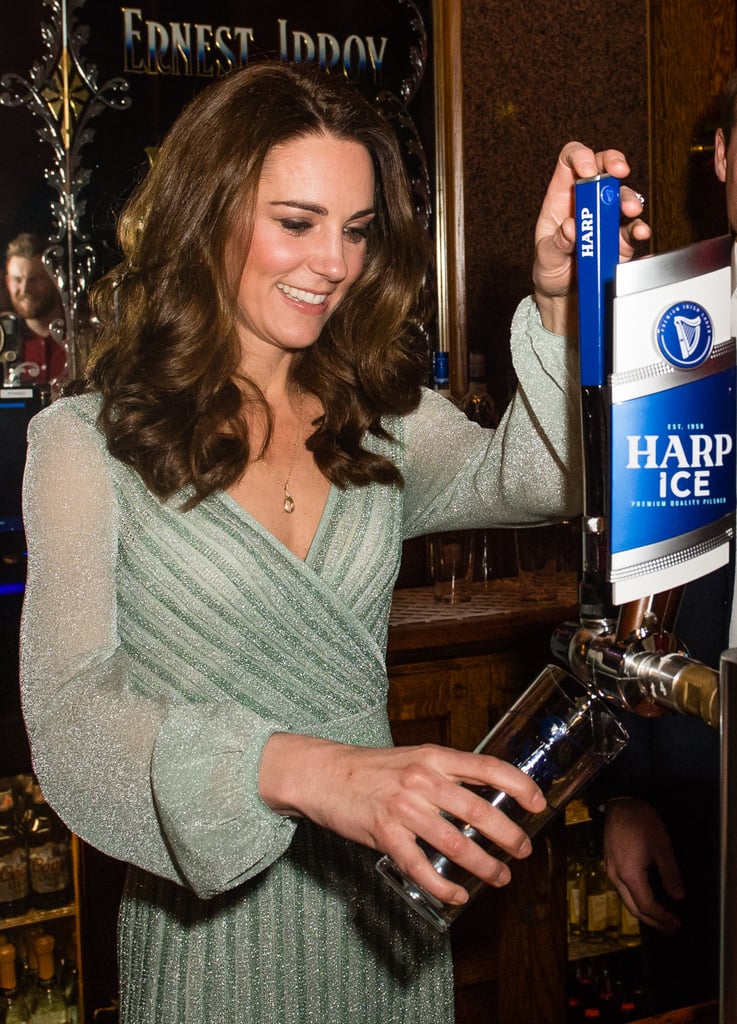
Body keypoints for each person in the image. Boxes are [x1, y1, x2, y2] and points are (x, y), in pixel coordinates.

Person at [19, 61, 647, 1024]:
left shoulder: (378, 420)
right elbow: (70, 717)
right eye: (296, 221)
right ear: (206, 212)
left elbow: (543, 479)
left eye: (355, 230)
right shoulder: (83, 444)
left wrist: (561, 300)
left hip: (383, 930)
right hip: (207, 945)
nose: (335, 264)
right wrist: (318, 774)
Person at [600, 69, 737, 1015]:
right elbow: (632, 586)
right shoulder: (679, 326)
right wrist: (627, 792)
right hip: (704, 787)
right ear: (724, 154)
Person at [4, 232, 66, 384]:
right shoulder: (4, 340)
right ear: (7, 281)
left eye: (34, 279)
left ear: (56, 279)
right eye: (17, 279)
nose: (25, 289)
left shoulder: (84, 337)